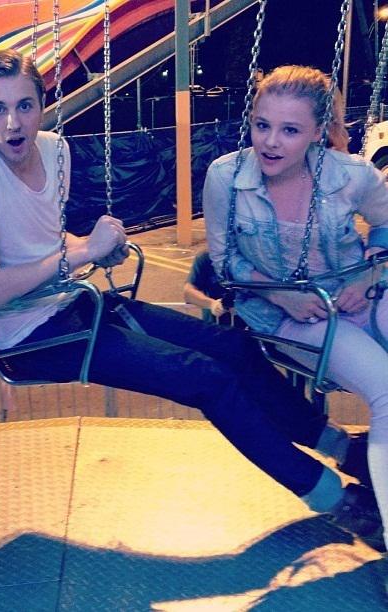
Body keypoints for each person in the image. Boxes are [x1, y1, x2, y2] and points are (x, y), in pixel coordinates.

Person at [0, 51, 383, 552]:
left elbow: (44, 242)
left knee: (234, 349)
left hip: (74, 305)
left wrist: (92, 246)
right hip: (30, 335)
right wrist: (83, 254)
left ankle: (342, 448)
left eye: (24, 106)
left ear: (42, 105)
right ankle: (338, 500)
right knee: (205, 378)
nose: (13, 123)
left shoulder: (54, 151)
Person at [203, 65, 388, 559]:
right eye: (262, 125)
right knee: (385, 389)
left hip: (360, 295)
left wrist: (369, 274)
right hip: (292, 319)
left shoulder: (350, 174)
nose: (271, 142)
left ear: (316, 132)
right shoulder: (227, 177)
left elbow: (386, 222)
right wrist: (280, 295)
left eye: (289, 130)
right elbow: (224, 260)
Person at [184, 249, 245, 327]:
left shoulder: (248, 258)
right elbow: (188, 292)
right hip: (215, 325)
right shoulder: (206, 257)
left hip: (247, 326)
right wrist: (211, 304)